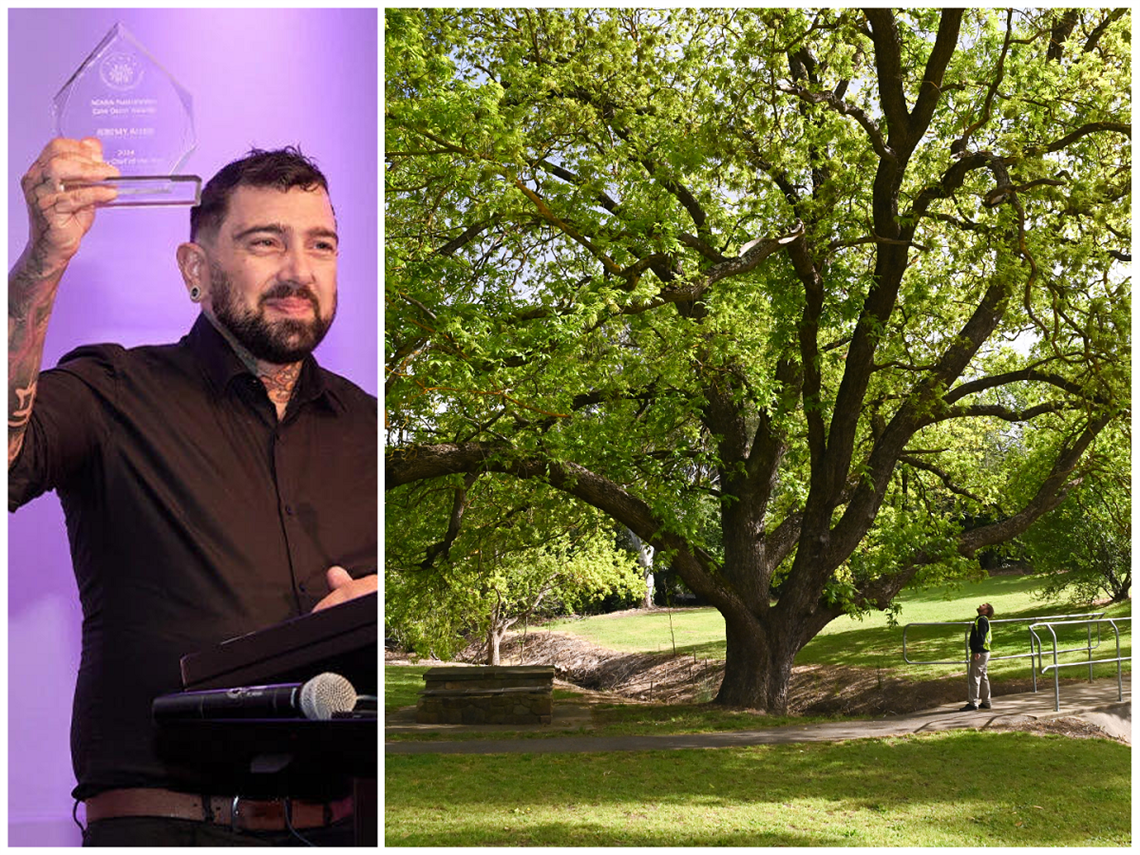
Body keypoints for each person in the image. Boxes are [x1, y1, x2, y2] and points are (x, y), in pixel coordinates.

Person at [8, 137, 377, 846]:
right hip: (165, 828)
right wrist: (43, 262)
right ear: (195, 270)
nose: (299, 270)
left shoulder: (370, 425)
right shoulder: (114, 392)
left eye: (322, 245)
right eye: (266, 242)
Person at [960, 602, 994, 712]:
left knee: (974, 677)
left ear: (986, 610)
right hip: (984, 651)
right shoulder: (982, 620)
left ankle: (973, 703)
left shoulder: (982, 620)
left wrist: (977, 650)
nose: (980, 605)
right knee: (983, 677)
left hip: (981, 652)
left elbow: (981, 636)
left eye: (983, 605)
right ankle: (986, 702)